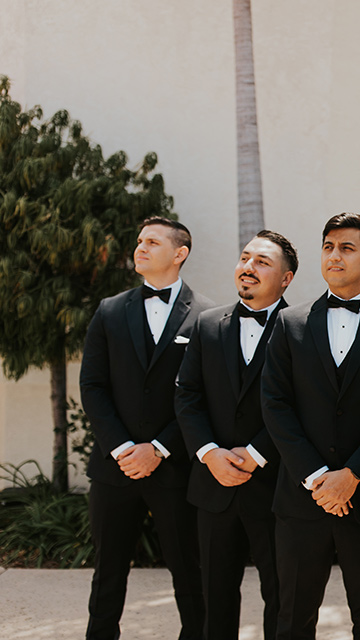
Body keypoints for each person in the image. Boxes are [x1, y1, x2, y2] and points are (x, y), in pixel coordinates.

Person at [261, 213, 360, 640]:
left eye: (347, 248)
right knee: (292, 616)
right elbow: (275, 404)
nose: (334, 256)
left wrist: (352, 476)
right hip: (300, 498)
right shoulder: (289, 324)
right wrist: (316, 476)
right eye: (328, 247)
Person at [79, 216, 214, 640]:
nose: (140, 247)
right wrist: (122, 447)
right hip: (114, 467)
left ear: (180, 253)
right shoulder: (110, 310)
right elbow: (93, 386)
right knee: (108, 572)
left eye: (152, 241)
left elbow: (206, 397)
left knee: (190, 570)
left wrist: (157, 447)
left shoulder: (209, 318)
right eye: (139, 240)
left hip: (176, 468)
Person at [175, 230, 298, 640]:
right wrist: (210, 454)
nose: (248, 267)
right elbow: (187, 396)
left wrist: (258, 453)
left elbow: (302, 406)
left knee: (282, 600)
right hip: (213, 485)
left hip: (276, 486)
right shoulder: (207, 325)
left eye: (262, 261)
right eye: (245, 258)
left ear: (287, 278)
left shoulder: (302, 330)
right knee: (215, 601)